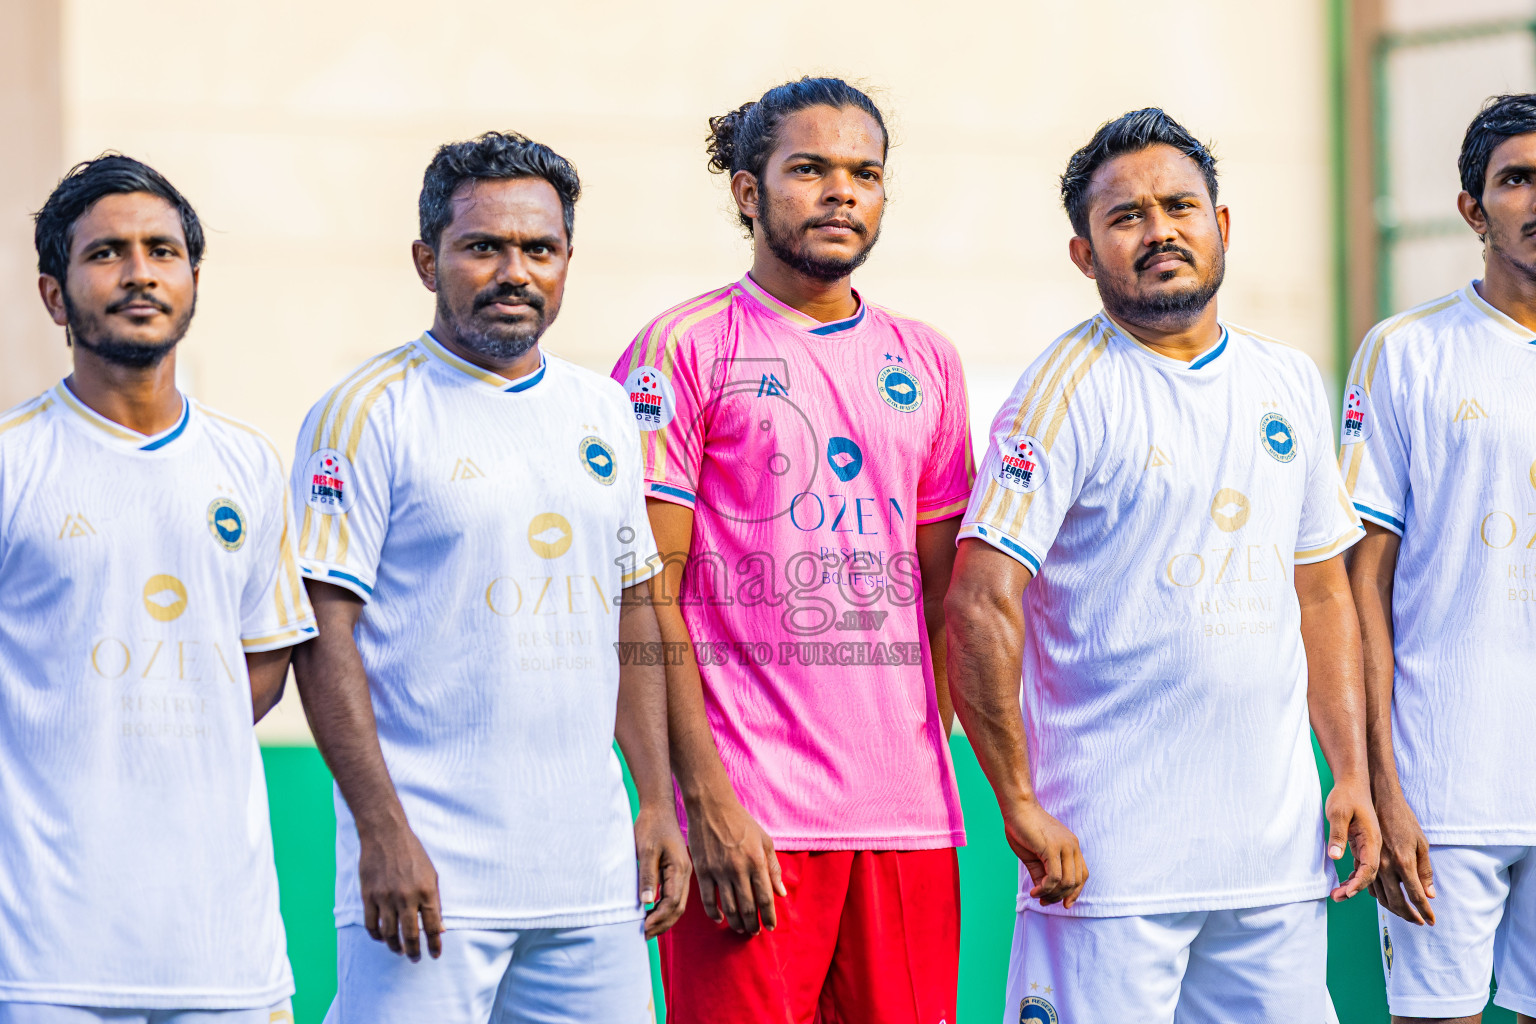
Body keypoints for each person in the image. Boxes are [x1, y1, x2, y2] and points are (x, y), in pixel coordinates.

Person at [943, 108, 1380, 1023]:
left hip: (1274, 862)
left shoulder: (1288, 379)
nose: (1159, 231)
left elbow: (1321, 590)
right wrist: (1018, 804)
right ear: (1084, 253)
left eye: (1180, 205)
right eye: (1126, 216)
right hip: (1108, 864)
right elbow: (980, 604)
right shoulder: (1063, 392)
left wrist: (1349, 773)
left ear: (1222, 225)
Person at [289, 132, 686, 1023]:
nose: (515, 271)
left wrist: (657, 802)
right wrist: (382, 834)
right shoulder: (365, 414)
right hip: (428, 882)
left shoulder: (605, 412)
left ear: (567, 261)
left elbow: (634, 613)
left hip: (590, 880)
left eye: (538, 249)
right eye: (484, 247)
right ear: (428, 259)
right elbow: (322, 636)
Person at [610, 77, 974, 1024]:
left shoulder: (928, 360)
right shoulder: (681, 347)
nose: (840, 192)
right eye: (808, 169)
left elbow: (944, 599)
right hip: (753, 823)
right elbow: (648, 598)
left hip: (911, 823)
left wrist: (912, 745)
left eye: (864, 173)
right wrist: (705, 802)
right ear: (747, 191)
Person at [0, 155, 314, 1023]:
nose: (139, 271)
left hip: (227, 955)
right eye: (106, 254)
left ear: (193, 279)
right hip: (45, 961)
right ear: (53, 295)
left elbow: (259, 669)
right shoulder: (13, 462)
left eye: (161, 250)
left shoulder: (245, 463)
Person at [1343, 93, 1536, 1024]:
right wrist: (1384, 784)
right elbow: (1359, 583)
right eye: (1517, 179)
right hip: (1445, 787)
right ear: (1472, 208)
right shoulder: (1405, 352)